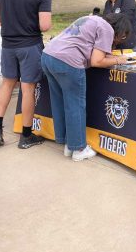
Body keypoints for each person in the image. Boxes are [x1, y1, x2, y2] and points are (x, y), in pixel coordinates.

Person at [41, 14, 130, 161]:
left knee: (60, 102)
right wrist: (118, 60)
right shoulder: (107, 29)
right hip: (68, 61)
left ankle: (68, 144)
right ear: (119, 29)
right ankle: (79, 149)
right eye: (122, 36)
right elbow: (96, 61)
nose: (120, 39)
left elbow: (89, 51)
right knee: (75, 105)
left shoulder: (91, 19)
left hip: (48, 56)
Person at [0, 0, 52, 149]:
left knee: (6, 84)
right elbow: (45, 25)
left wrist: (8, 21)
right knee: (27, 89)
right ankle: (26, 136)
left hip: (7, 44)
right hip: (30, 45)